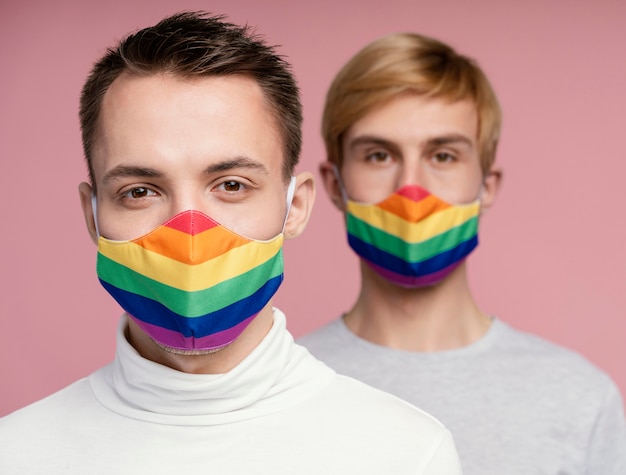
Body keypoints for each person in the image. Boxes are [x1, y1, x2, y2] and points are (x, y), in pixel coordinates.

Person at [0, 13, 462, 474]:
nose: (190, 233)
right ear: (93, 215)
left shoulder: (405, 453)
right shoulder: (15, 453)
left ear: (295, 206)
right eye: (140, 191)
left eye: (232, 185)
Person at [298, 32, 626, 474]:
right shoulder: (279, 387)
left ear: (486, 187)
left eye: (444, 155)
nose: (410, 189)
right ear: (335, 184)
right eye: (379, 155)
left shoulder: (580, 399)